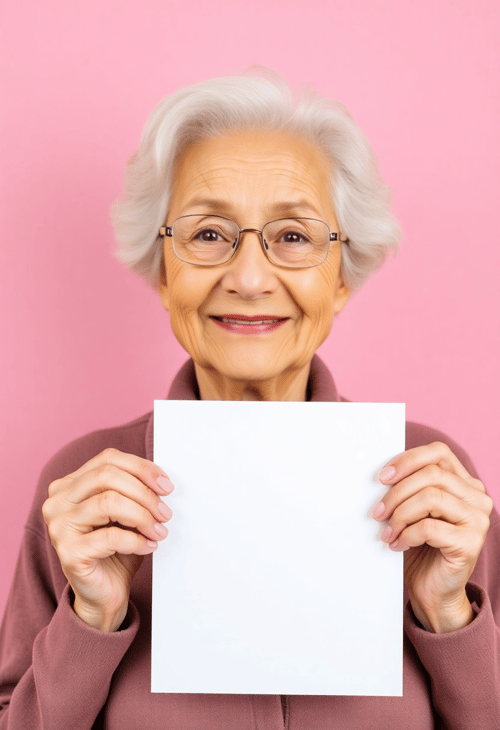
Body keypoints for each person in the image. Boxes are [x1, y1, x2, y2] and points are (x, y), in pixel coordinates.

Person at [0, 70, 498, 729]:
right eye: (209, 234)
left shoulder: (430, 478)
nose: (250, 277)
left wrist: (449, 616)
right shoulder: (82, 486)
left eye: (293, 236)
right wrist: (90, 619)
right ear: (164, 268)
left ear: (342, 278)